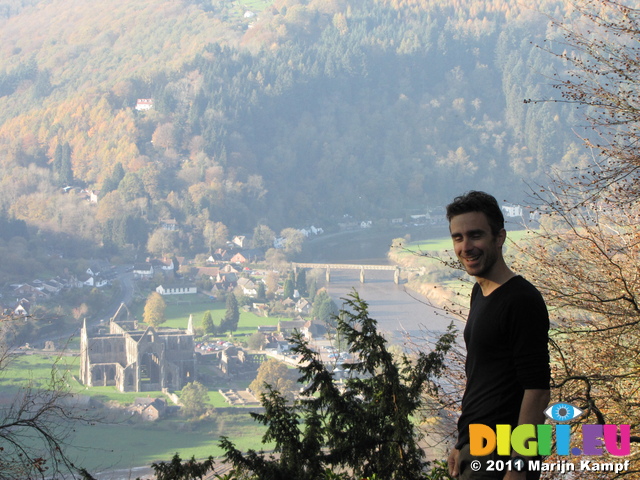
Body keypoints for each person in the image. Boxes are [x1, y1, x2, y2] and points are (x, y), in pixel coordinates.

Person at [445, 191, 550, 480]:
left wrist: (519, 468)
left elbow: (538, 391)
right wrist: (462, 444)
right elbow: (481, 377)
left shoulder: (521, 300)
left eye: (475, 235)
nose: (466, 246)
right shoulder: (480, 291)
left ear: (499, 237)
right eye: (458, 237)